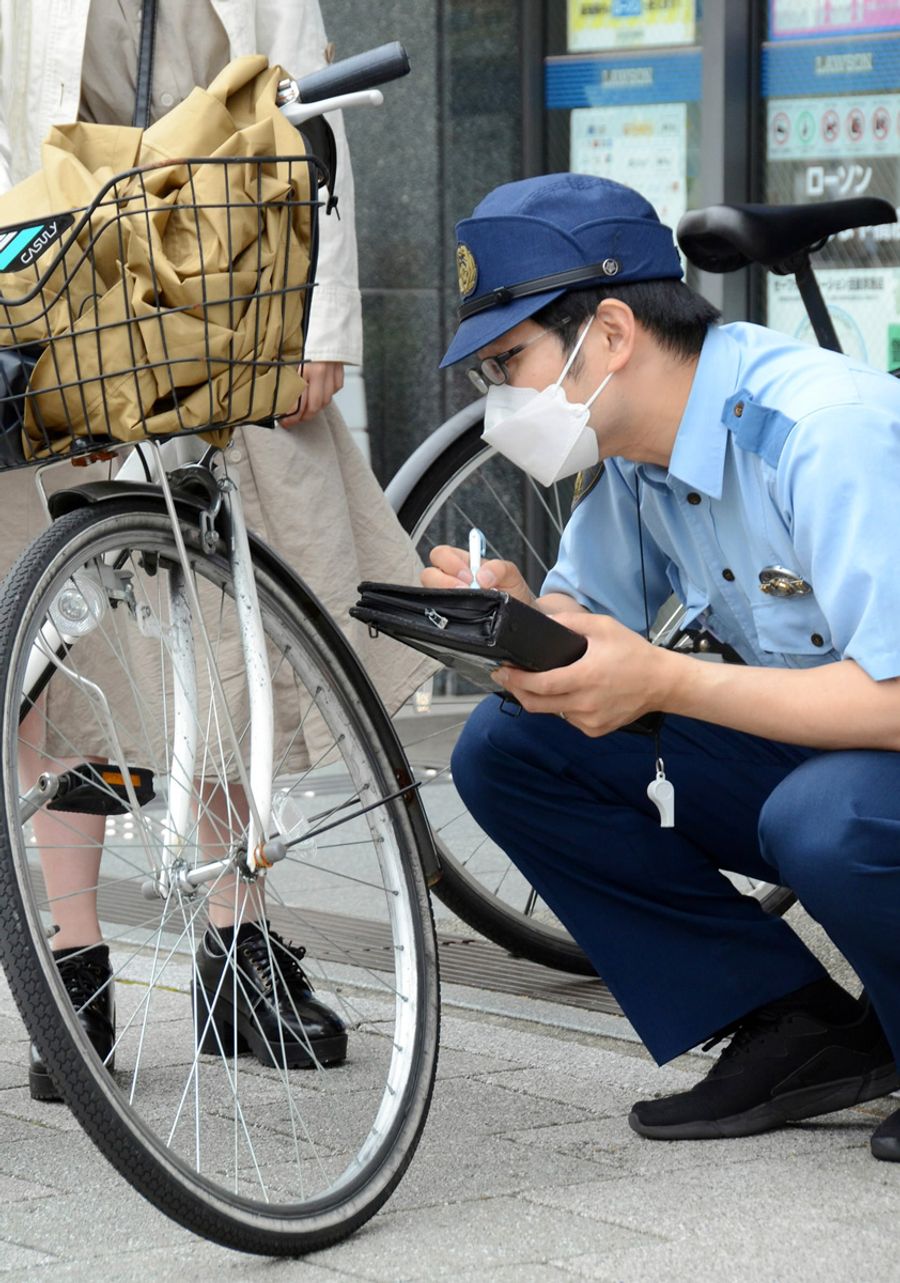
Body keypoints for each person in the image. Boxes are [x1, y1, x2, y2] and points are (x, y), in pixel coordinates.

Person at [0, 0, 430, 1098]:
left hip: (222, 295)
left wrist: (320, 324)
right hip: (54, 298)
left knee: (222, 637)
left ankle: (238, 949)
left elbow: (308, 113)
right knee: (58, 656)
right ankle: (71, 967)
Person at [426, 171, 900, 1164]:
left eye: (511, 361)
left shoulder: (824, 432)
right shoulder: (643, 459)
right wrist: (523, 619)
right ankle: (790, 1023)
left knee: (825, 817)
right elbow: (590, 619)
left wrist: (668, 680)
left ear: (608, 333)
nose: (500, 400)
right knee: (514, 745)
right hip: (828, 750)